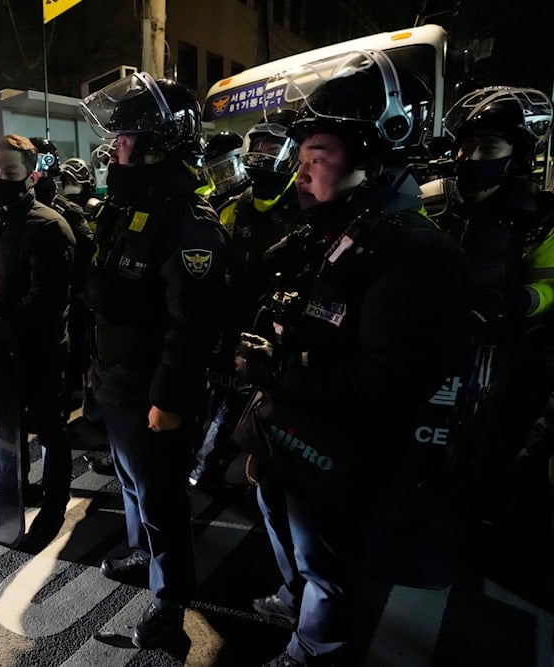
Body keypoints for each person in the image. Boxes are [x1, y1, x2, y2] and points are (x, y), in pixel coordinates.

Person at [231, 51, 472, 666]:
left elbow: (382, 382)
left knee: (328, 564)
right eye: (302, 159)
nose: (303, 175)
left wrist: (273, 370)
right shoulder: (338, 230)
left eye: (319, 159)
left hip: (337, 454)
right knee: (294, 546)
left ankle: (315, 648)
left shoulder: (416, 255)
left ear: (376, 159)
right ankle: (296, 597)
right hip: (288, 433)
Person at [80, 73, 227, 648]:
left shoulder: (188, 222)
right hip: (118, 384)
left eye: (125, 138)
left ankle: (169, 608)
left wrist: (168, 401)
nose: (115, 148)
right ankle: (142, 557)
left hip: (150, 395)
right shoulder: (127, 205)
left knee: (163, 503)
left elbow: (192, 327)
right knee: (134, 487)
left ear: (158, 144)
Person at [433, 87, 554, 520]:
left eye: (489, 146)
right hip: (427, 341)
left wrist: (514, 302)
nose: (473, 155)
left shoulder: (539, 218)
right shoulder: (430, 201)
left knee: (482, 444)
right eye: (466, 144)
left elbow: (549, 288)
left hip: (497, 354)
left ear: (517, 152)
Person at [0, 134, 77, 546]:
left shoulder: (50, 227)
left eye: (8, 173)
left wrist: (0, 323)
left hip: (41, 350)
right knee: (7, 427)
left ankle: (54, 506)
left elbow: (45, 298)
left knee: (50, 429)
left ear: (30, 177)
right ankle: (19, 490)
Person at [189, 112, 301, 489]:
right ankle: (209, 467)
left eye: (272, 148)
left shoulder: (305, 209)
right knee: (223, 402)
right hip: (235, 324)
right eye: (258, 147)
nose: (262, 156)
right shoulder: (233, 207)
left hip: (285, 336)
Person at [29, 137, 98, 424]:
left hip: (65, 307)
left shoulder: (68, 212)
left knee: (69, 365)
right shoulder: (9, 214)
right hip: (29, 309)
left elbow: (89, 252)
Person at [198, 130, 251, 213]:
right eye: (218, 171)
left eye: (229, 168)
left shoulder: (254, 196)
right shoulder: (210, 204)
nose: (224, 176)